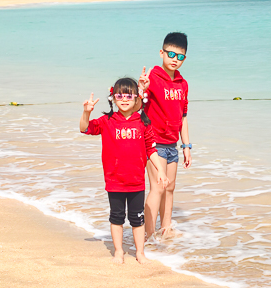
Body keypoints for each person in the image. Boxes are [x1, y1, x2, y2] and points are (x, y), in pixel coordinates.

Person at [80, 77, 166, 264]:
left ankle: (140, 253)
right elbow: (85, 129)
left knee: (137, 220)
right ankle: (118, 251)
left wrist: (160, 170)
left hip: (136, 182)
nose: (124, 99)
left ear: (137, 98)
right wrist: (86, 113)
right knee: (116, 218)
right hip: (115, 181)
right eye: (119, 95)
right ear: (113, 98)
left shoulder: (143, 122)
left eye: (129, 95)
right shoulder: (106, 121)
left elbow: (151, 149)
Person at [139, 32, 190, 238]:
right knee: (158, 188)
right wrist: (142, 89)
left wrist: (186, 147)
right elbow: (138, 104)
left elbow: (183, 117)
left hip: (172, 145)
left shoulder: (182, 84)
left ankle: (165, 231)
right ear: (162, 53)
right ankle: (149, 236)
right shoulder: (152, 78)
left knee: (170, 188)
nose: (174, 60)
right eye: (171, 54)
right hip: (154, 143)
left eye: (180, 57)